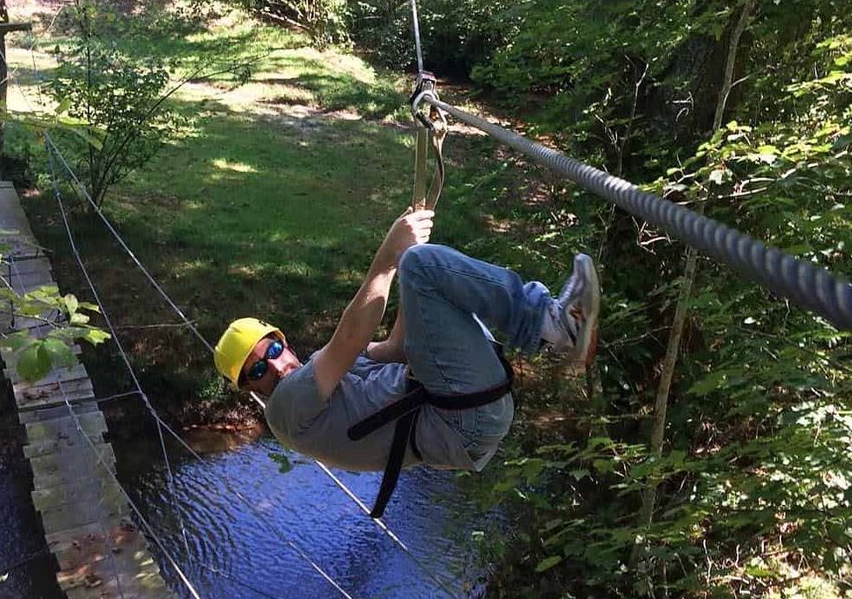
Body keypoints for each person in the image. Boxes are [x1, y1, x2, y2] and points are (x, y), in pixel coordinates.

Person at [214, 210, 601, 507]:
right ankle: (553, 325)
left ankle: (553, 326)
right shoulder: (283, 411)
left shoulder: (323, 379)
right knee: (423, 267)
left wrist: (406, 259)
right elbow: (351, 336)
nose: (277, 366)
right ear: (252, 389)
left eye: (274, 349)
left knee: (423, 269)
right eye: (259, 369)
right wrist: (389, 257)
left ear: (284, 342)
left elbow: (396, 347)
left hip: (463, 407)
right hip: (459, 414)